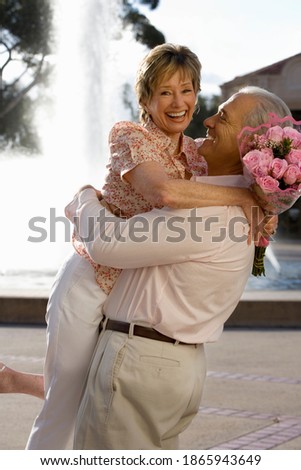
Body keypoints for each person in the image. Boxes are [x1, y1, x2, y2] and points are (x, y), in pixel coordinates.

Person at [1, 43, 265, 450]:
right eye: (164, 92)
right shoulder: (130, 135)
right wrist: (245, 199)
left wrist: (267, 201)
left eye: (188, 89)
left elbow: (230, 177)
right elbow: (161, 193)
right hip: (89, 281)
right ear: (145, 98)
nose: (179, 103)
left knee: (84, 389)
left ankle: (17, 380)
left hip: (125, 287)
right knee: (62, 407)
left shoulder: (195, 155)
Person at [62, 86, 290, 449]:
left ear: (247, 147)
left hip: (142, 363)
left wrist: (83, 199)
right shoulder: (227, 206)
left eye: (224, 118)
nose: (209, 120)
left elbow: (106, 244)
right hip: (164, 365)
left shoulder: (211, 216)